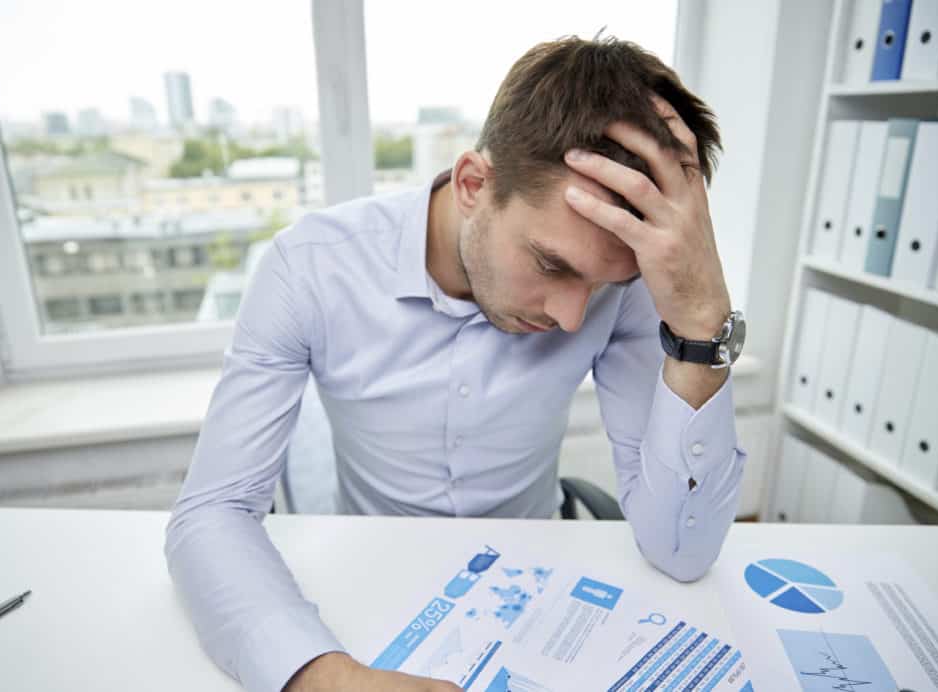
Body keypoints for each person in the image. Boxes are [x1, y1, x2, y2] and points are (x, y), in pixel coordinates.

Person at [165, 34, 747, 692]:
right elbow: (211, 514)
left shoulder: (627, 285)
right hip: (364, 589)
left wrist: (701, 322)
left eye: (602, 285)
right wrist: (323, 680)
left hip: (538, 591)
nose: (571, 318)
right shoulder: (312, 266)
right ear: (474, 184)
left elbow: (682, 549)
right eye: (551, 264)